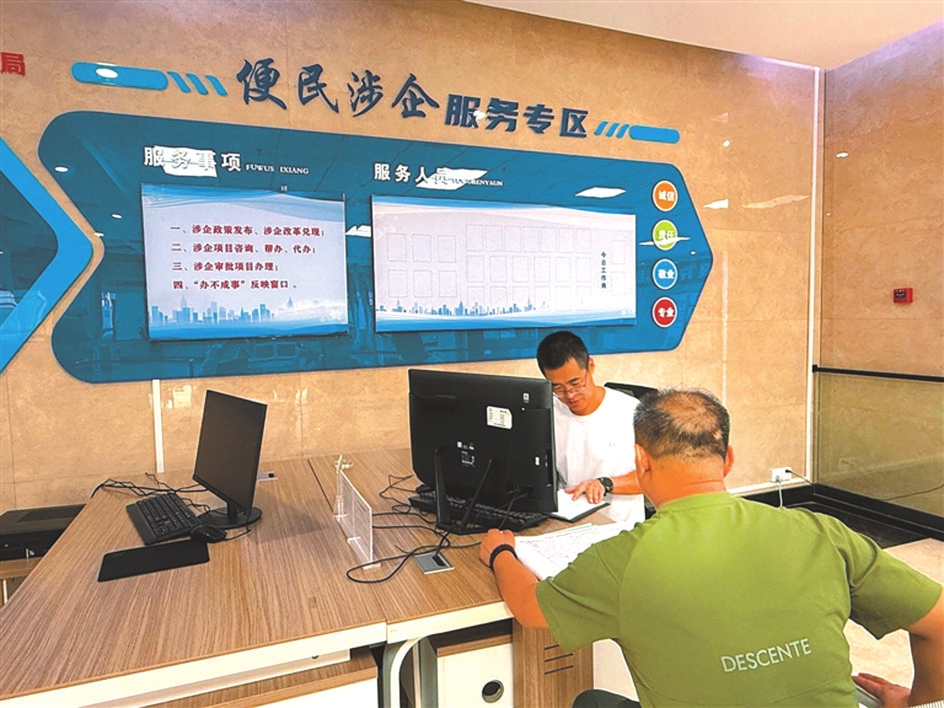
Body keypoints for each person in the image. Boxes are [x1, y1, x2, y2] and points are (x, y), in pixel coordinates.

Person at [479, 388, 943, 708]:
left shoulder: (621, 560)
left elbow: (530, 608)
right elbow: (939, 623)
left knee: (590, 701)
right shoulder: (823, 532)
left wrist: (501, 552)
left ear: (640, 462)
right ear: (729, 460)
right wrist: (915, 701)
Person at [536, 331, 644, 520]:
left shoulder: (632, 411)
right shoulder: (548, 411)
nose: (570, 395)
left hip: (620, 525)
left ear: (590, 366)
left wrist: (606, 484)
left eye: (576, 383)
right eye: (558, 388)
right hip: (568, 521)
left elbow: (658, 477)